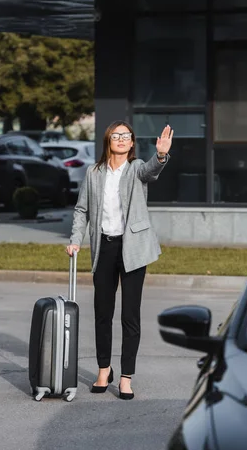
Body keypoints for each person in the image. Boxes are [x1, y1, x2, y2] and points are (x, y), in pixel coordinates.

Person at [66, 120, 173, 400]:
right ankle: (104, 369)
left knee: (130, 315)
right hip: (105, 247)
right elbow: (81, 210)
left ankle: (126, 376)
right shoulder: (94, 173)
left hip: (133, 248)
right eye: (117, 135)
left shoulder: (137, 169)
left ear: (132, 142)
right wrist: (76, 239)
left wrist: (160, 155)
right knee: (102, 313)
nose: (122, 139)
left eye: (127, 136)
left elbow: (151, 171)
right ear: (108, 141)